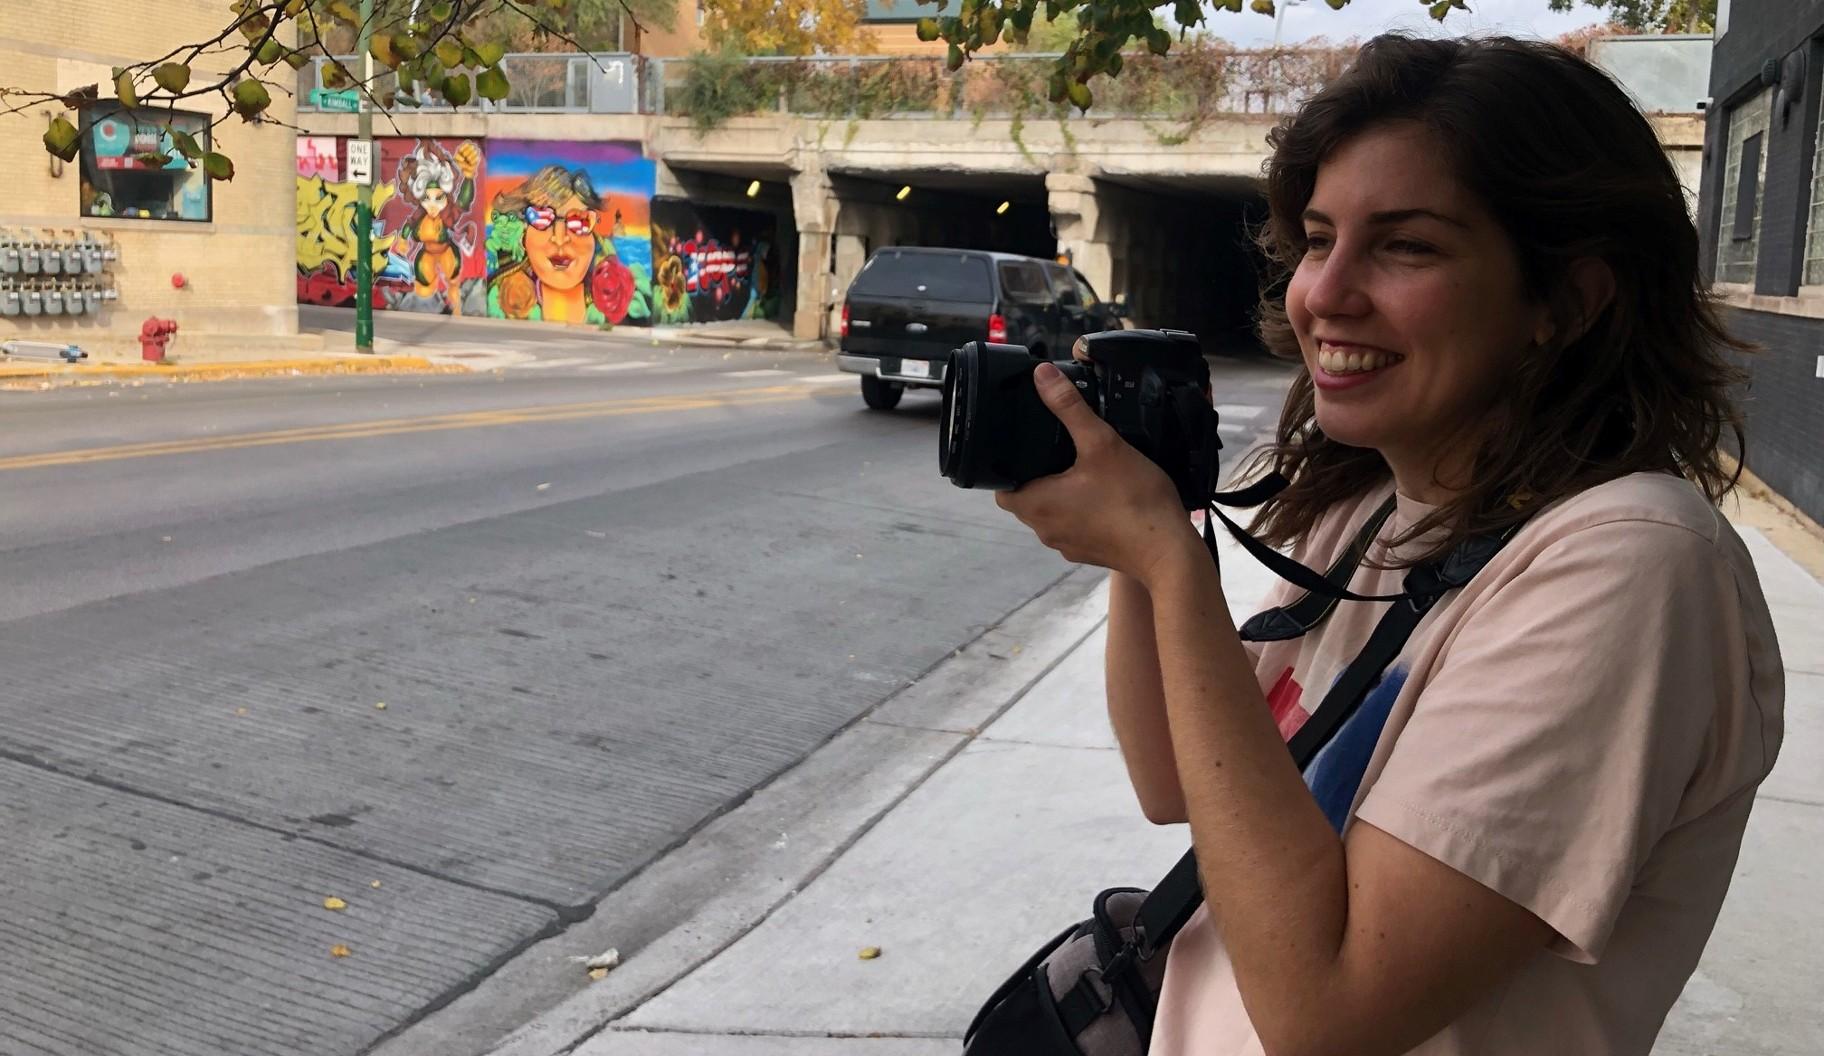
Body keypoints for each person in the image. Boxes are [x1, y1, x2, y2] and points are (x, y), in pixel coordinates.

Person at [995, 34, 1785, 1056]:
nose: (1326, 293)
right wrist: (1151, 529)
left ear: (1567, 301)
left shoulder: (1633, 567)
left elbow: (1327, 1012)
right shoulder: (1367, 505)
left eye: (1405, 245)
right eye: (1319, 238)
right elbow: (1176, 783)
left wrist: (1162, 558)